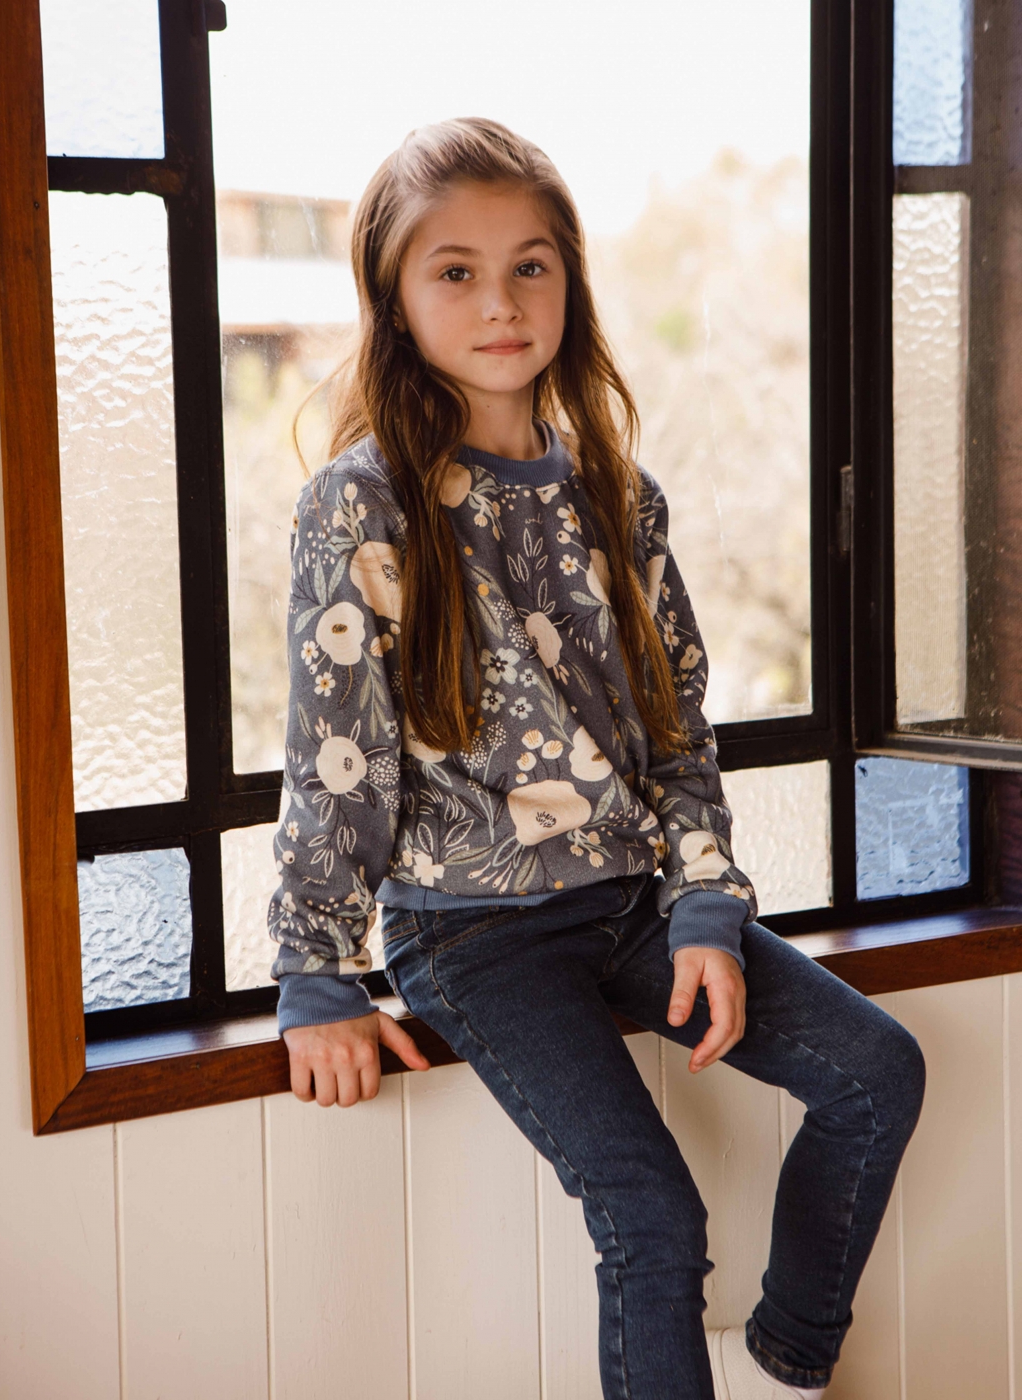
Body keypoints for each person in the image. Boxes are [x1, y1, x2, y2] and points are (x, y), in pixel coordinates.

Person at [268, 117, 925, 1400]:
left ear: (568, 279)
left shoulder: (618, 495)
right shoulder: (360, 503)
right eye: (454, 270)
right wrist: (315, 968)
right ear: (394, 300)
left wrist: (703, 906)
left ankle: (786, 1362)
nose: (500, 301)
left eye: (531, 265)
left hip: (632, 901)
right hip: (473, 931)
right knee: (651, 1216)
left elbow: (675, 732)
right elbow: (335, 760)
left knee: (876, 1070)